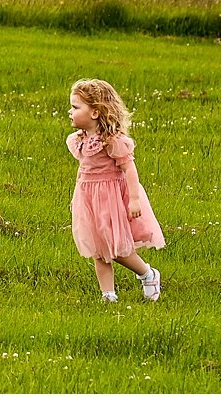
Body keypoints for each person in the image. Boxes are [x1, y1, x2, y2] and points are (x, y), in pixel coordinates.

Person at [67, 77, 164, 301]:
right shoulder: (79, 140)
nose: (70, 111)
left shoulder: (112, 140)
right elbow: (84, 172)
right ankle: (108, 295)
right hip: (88, 197)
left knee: (116, 247)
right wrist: (77, 199)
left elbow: (129, 169)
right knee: (97, 249)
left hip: (110, 198)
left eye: (75, 107)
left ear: (94, 113)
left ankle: (147, 274)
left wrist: (134, 199)